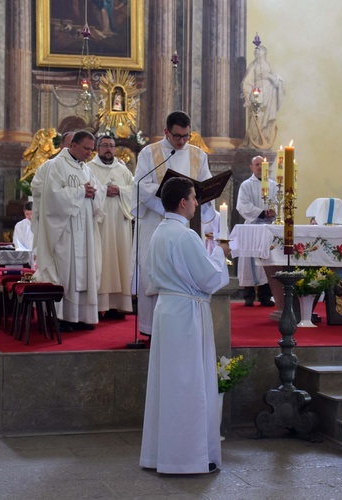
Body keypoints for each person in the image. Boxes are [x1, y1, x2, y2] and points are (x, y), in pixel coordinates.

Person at [139, 177, 231, 474]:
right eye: (194, 198)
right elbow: (209, 278)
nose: (196, 203)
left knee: (168, 385)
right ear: (183, 202)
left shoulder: (158, 232)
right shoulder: (185, 235)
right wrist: (218, 253)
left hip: (167, 310)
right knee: (189, 385)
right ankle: (187, 458)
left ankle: (160, 455)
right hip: (187, 314)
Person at [132, 111, 215, 337]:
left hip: (188, 226)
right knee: (153, 270)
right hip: (154, 225)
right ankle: (151, 329)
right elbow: (140, 185)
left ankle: (183, 327)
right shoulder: (150, 153)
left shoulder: (198, 155)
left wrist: (206, 196)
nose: (182, 142)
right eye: (177, 136)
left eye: (186, 136)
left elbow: (206, 187)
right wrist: (170, 206)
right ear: (166, 132)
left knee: (185, 270)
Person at [31, 130, 106, 331]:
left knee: (84, 270)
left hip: (84, 230)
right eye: (86, 148)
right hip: (65, 230)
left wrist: (94, 193)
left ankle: (81, 317)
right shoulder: (56, 166)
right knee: (66, 271)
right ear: (73, 145)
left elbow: (99, 192)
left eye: (92, 149)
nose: (90, 153)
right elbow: (52, 196)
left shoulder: (85, 169)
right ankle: (62, 318)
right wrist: (82, 191)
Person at [88, 135, 134, 319]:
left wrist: (120, 191)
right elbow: (87, 190)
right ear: (97, 148)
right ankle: (99, 305)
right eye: (104, 145)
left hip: (120, 224)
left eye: (111, 146)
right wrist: (103, 191)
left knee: (121, 260)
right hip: (100, 223)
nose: (108, 149)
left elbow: (134, 189)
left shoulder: (123, 171)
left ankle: (119, 305)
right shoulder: (89, 169)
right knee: (101, 261)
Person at [236, 155, 278, 306]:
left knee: (267, 259)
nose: (260, 167)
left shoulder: (274, 186)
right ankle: (248, 295)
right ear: (251, 167)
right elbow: (242, 205)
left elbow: (280, 202)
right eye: (257, 164)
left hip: (268, 228)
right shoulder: (246, 185)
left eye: (263, 164)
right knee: (249, 260)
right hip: (252, 227)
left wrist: (274, 212)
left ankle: (265, 295)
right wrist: (261, 212)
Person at [31, 130, 74, 248]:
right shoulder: (48, 166)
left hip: (76, 225)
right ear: (61, 147)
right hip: (54, 222)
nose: (73, 147)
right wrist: (73, 193)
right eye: (70, 144)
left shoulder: (84, 169)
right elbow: (37, 188)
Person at [240, 45, 285, 150]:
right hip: (258, 92)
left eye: (259, 50)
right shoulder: (254, 66)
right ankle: (253, 142)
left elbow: (278, 80)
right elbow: (248, 81)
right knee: (256, 116)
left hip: (269, 94)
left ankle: (263, 138)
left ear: (264, 52)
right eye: (255, 51)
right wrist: (247, 93)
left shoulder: (268, 65)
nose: (257, 52)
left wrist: (271, 78)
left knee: (266, 117)